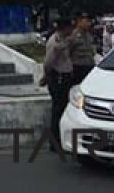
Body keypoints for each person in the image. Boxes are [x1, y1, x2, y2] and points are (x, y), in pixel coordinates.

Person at [40, 17, 74, 146]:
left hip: (65, 78)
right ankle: (54, 141)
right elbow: (48, 63)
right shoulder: (54, 42)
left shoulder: (64, 40)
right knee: (58, 110)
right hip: (58, 79)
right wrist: (46, 77)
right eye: (70, 27)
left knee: (63, 108)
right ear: (64, 28)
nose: (72, 29)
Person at [68, 13, 96, 84]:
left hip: (89, 66)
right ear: (79, 21)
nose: (89, 24)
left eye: (90, 21)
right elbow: (68, 52)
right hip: (78, 68)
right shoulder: (73, 36)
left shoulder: (89, 35)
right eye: (87, 21)